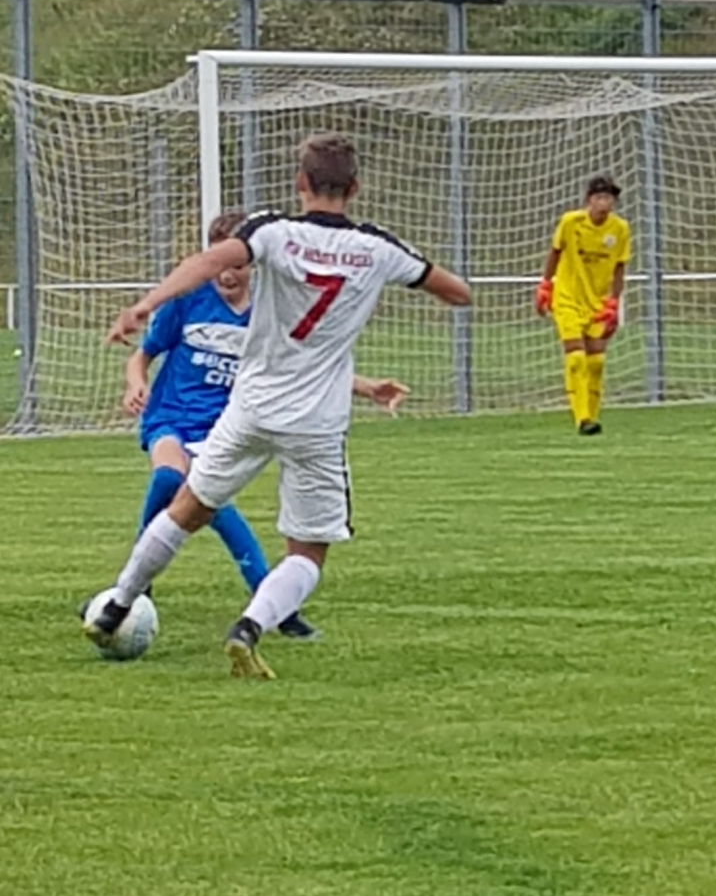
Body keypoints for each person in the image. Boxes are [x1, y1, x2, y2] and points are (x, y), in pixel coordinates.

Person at [84, 132, 471, 677]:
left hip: (251, 409)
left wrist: (144, 305)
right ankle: (249, 627)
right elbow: (455, 292)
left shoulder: (273, 231)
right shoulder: (379, 248)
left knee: (188, 508)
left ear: (301, 182)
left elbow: (209, 259)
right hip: (315, 424)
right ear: (355, 187)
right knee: (308, 551)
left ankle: (117, 603)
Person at [86, 209, 413, 642]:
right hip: (172, 417)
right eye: (220, 264)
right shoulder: (188, 301)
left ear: (251, 265)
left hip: (223, 424)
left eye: (237, 266)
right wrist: (135, 383)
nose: (228, 274)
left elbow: (302, 370)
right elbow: (142, 354)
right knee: (170, 476)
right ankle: (137, 588)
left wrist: (370, 388)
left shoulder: (268, 312)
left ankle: (136, 591)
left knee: (208, 505)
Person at [535, 175, 631, 435]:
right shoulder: (571, 222)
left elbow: (620, 267)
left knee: (596, 362)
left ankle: (593, 415)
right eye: (600, 197)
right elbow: (554, 252)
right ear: (589, 200)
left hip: (597, 300)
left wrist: (614, 301)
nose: (604, 202)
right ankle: (582, 419)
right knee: (576, 358)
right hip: (567, 298)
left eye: (609, 198)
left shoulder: (619, 229)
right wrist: (545, 285)